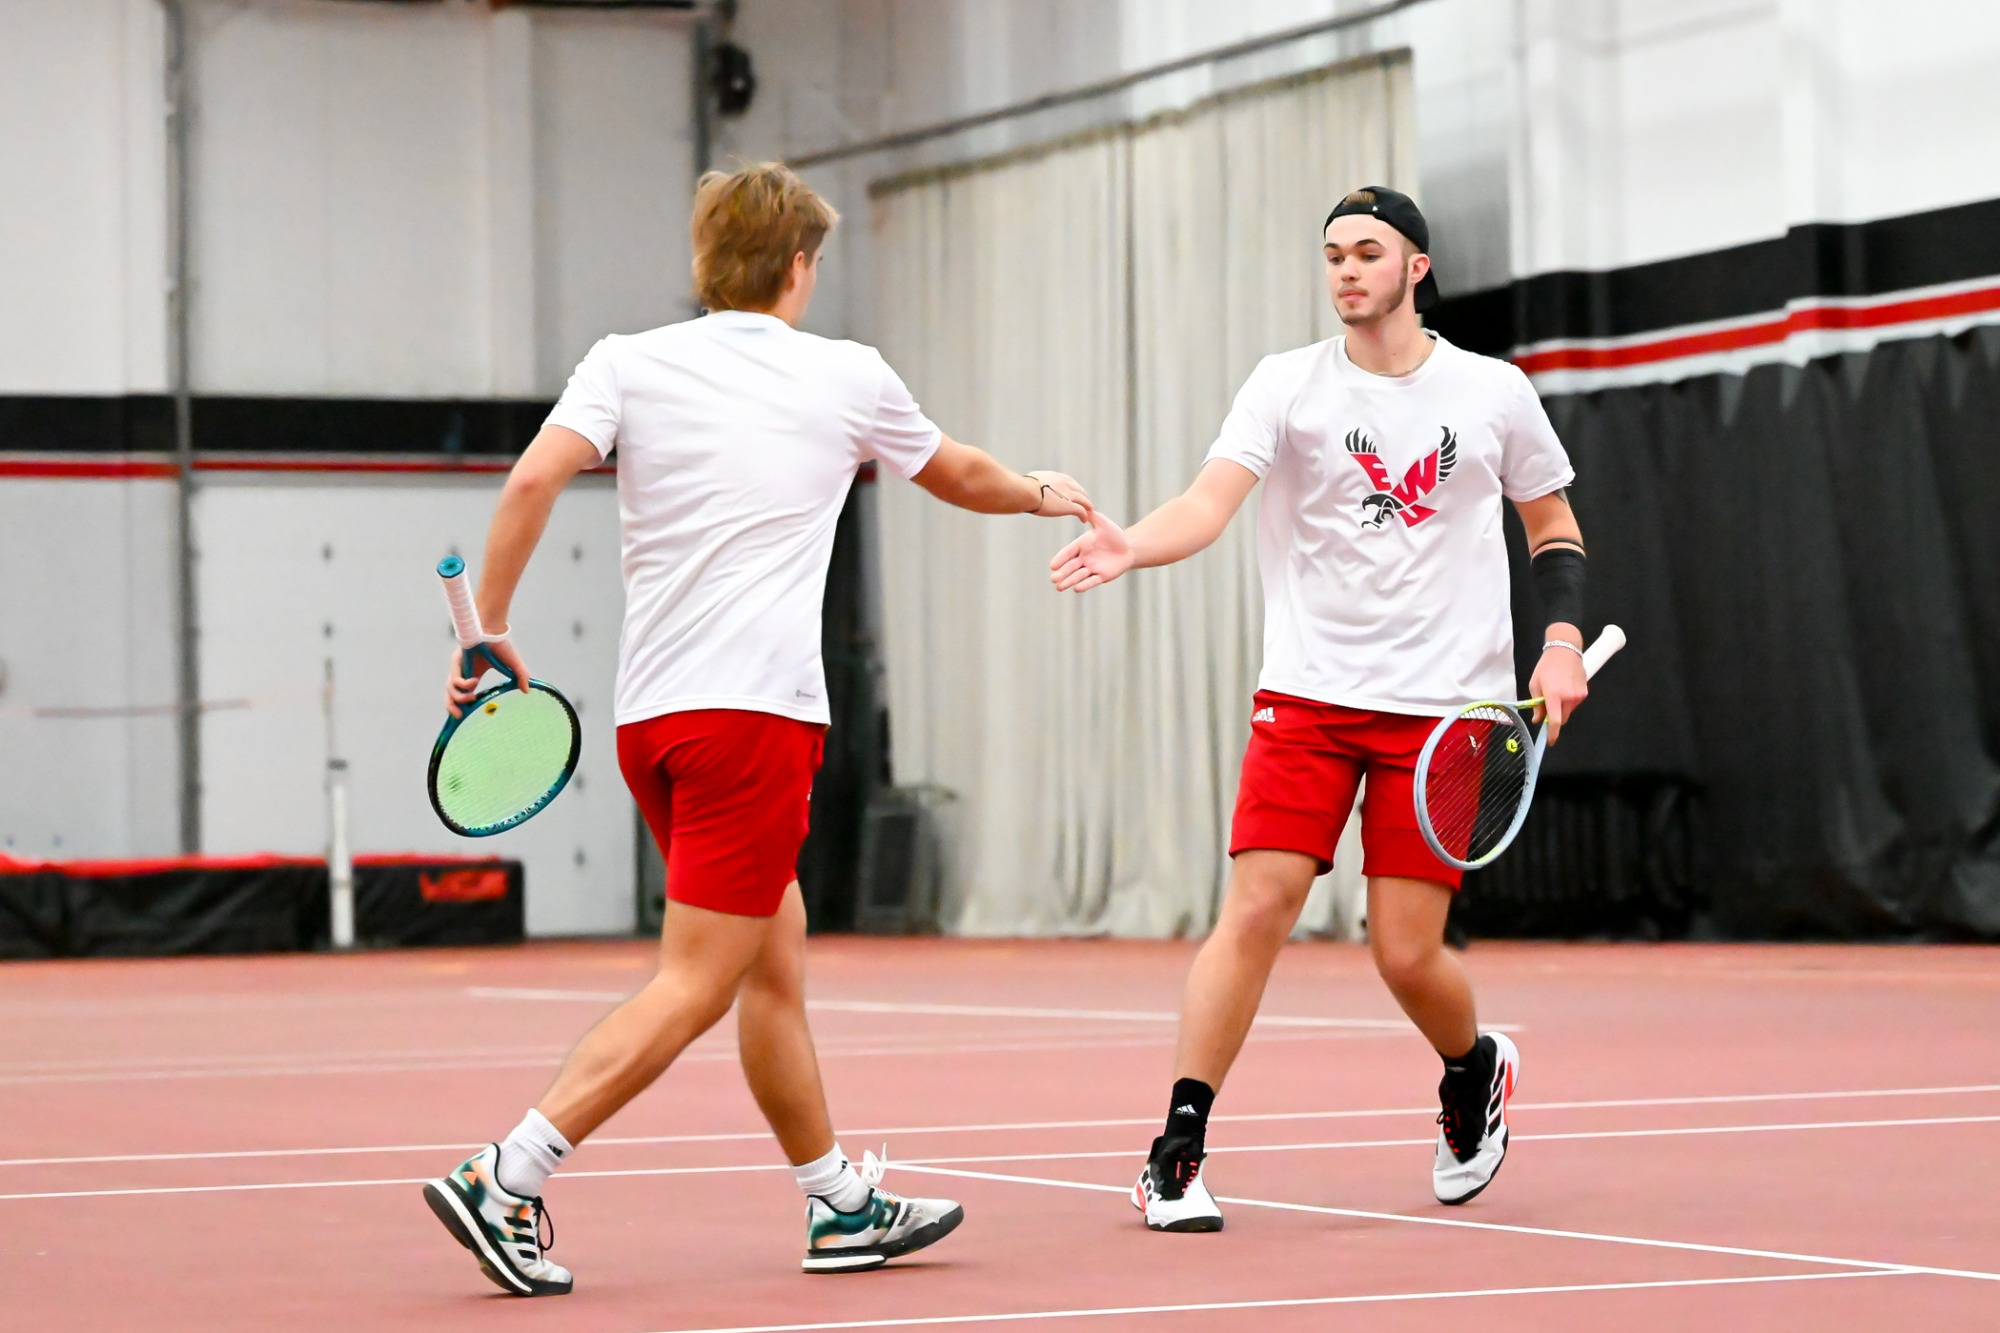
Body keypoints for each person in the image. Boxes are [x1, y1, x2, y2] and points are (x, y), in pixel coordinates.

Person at [423, 162, 1093, 1295]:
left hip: (653, 723)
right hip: (753, 722)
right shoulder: (847, 373)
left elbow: (532, 482)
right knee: (695, 981)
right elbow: (956, 473)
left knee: (769, 964)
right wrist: (1039, 491)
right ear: (796, 265)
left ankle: (838, 1203)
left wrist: (485, 630)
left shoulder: (623, 360)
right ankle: (507, 1176)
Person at [1050, 186, 1590, 1231]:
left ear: (1415, 268)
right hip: (1307, 694)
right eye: (1333, 253)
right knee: (1257, 906)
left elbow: (1551, 524)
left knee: (1404, 952)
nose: (1346, 269)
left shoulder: (1492, 391)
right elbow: (1207, 503)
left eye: (1368, 252)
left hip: (1446, 713)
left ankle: (1472, 1066)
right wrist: (1131, 544)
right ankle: (1176, 1149)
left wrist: (1560, 642)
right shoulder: (1285, 383)